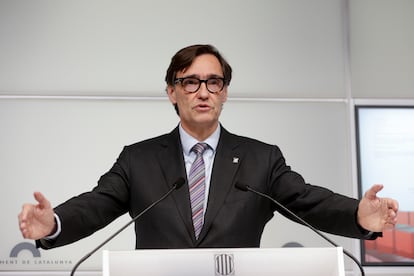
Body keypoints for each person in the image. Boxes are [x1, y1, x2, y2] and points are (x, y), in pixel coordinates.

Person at [19, 44, 398, 250]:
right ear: (171, 91)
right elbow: (97, 204)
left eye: (214, 82)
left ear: (225, 92)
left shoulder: (260, 159)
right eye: (190, 82)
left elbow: (307, 202)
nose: (203, 91)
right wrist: (53, 224)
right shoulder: (139, 159)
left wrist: (359, 216)